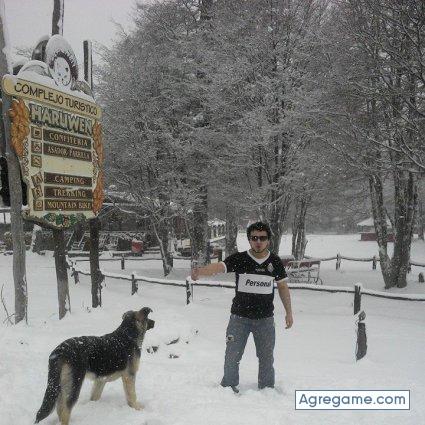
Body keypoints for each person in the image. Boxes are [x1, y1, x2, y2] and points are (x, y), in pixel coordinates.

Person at [191, 221, 293, 393]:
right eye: (254, 238)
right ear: (249, 239)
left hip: (265, 320)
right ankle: (228, 387)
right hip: (239, 319)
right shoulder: (240, 258)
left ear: (268, 240)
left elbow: (283, 287)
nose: (258, 241)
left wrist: (289, 313)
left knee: (266, 357)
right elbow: (219, 267)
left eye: (262, 238)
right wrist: (201, 271)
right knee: (232, 355)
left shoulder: (274, 262)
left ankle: (267, 389)